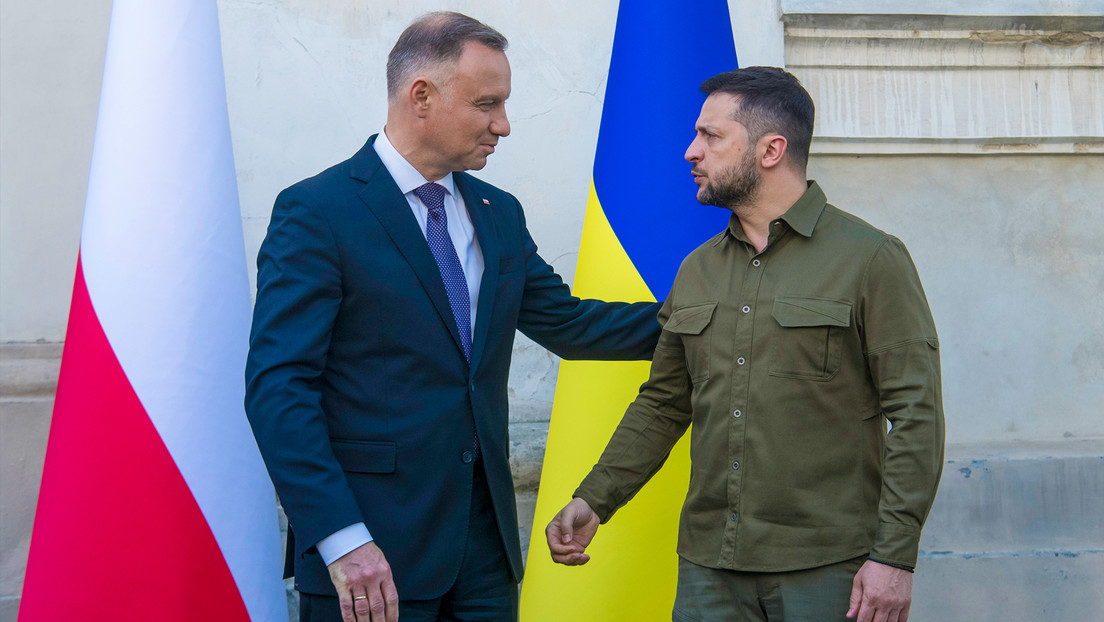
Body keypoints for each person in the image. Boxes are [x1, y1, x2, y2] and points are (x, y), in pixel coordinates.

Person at [245, 12, 661, 622]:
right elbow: (279, 389)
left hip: (485, 558)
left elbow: (571, 325)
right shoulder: (318, 212)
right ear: (422, 97)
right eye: (487, 104)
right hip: (370, 559)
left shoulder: (498, 212)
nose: (504, 125)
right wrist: (341, 536)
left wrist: (714, 312)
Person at [545, 67, 944, 622]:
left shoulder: (871, 259)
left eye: (711, 136)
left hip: (829, 570)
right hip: (710, 570)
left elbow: (916, 414)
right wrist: (594, 499)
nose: (691, 151)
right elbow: (663, 404)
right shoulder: (698, 270)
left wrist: (894, 559)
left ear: (771, 149)